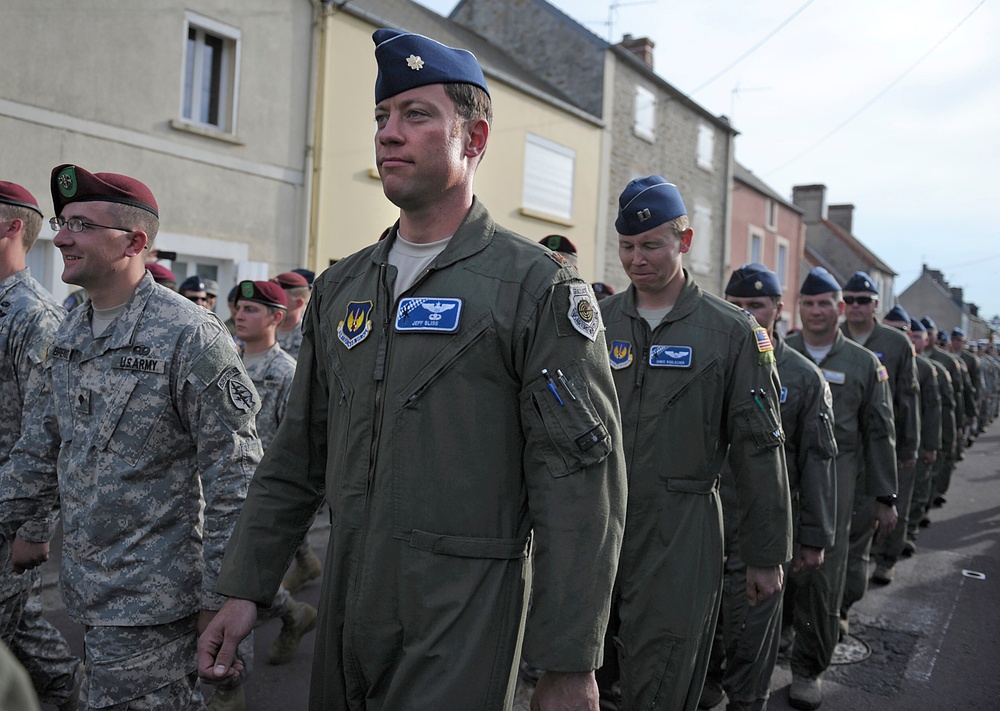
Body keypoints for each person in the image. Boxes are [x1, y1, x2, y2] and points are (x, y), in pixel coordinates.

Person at [199, 29, 627, 710]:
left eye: (416, 115)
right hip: (348, 598)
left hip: (462, 611)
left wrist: (570, 660)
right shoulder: (344, 286)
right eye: (381, 117)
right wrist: (245, 586)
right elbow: (298, 454)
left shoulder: (534, 288)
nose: (388, 134)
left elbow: (580, 488)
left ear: (475, 138)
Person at [0, 164, 262, 709]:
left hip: (155, 601)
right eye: (62, 221)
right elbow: (37, 452)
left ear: (134, 242)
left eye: (81, 225)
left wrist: (223, 598)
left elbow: (234, 478)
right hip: (89, 591)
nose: (62, 236)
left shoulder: (189, 335)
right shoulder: (72, 328)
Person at [595, 179, 791, 711]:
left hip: (682, 529)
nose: (636, 259)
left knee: (662, 674)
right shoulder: (595, 325)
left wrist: (766, 555)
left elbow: (759, 449)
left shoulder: (732, 334)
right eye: (627, 246)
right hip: (599, 526)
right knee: (585, 670)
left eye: (651, 245)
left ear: (684, 242)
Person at [700, 264, 837, 711]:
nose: (745, 314)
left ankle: (748, 698)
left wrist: (813, 537)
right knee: (702, 623)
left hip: (764, 523)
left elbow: (817, 461)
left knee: (752, 629)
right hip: (707, 516)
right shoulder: (704, 360)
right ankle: (707, 687)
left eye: (755, 306)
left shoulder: (801, 377)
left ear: (778, 310)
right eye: (735, 305)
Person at [783, 267, 897, 710]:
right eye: (808, 304)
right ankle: (776, 639)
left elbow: (879, 433)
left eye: (825, 304)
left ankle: (807, 669)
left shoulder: (864, 365)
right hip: (784, 482)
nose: (816, 312)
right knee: (772, 569)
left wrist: (885, 497)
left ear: (841, 309)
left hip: (837, 487)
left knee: (823, 580)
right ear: (799, 308)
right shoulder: (779, 353)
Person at [209, 280, 318, 711]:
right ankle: (293, 613)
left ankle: (228, 689)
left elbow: (297, 445)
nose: (240, 314)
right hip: (216, 488)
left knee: (232, 587)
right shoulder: (224, 362)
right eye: (239, 306)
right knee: (226, 584)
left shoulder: (286, 373)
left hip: (260, 497)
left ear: (277, 317)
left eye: (253, 309)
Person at [0, 180, 81, 710]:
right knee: (20, 631)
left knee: (15, 631)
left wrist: (32, 529)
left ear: (11, 229)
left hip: (7, 514)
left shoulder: (34, 317)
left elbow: (50, 430)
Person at [837, 273, 918, 630]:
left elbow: (906, 399)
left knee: (856, 540)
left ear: (875, 305)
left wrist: (909, 448)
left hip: (875, 449)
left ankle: (840, 608)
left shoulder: (896, 344)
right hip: (832, 453)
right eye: (849, 299)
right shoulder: (829, 334)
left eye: (862, 300)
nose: (855, 306)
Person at [872, 308, 940, 581]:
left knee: (895, 502)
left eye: (902, 331)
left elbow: (930, 409)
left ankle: (887, 560)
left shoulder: (925, 369)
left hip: (901, 445)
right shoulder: (870, 357)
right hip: (873, 445)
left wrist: (925, 446)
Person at [269, 269, 324, 594]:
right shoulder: (270, 332)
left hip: (298, 427)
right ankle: (303, 559)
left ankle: (298, 566)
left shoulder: (309, 336)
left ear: (299, 301)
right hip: (269, 423)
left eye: (281, 292)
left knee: (291, 501)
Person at [905, 317, 955, 553]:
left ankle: (909, 533)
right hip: (900, 440)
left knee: (918, 489)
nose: (913, 341)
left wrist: (936, 444)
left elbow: (941, 409)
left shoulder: (934, 369)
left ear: (926, 340)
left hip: (922, 437)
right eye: (910, 335)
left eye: (917, 336)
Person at [921, 320, 968, 510]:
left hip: (939, 420)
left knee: (938, 461)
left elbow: (957, 395)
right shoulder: (904, 357)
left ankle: (930, 499)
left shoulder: (947, 363)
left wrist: (959, 422)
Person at [271, 271, 311, 360]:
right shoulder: (261, 333)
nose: (273, 302)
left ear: (298, 303)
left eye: (278, 297)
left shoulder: (309, 340)